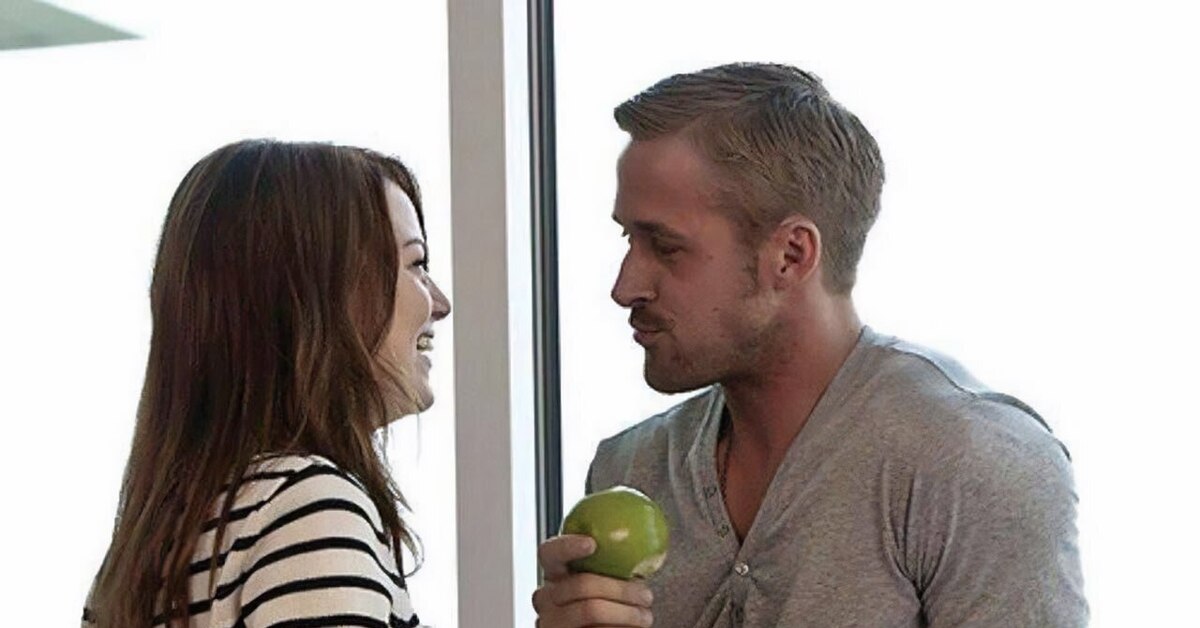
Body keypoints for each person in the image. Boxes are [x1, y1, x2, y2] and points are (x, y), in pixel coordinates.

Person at [533, 63, 1087, 627]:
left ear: (791, 255)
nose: (625, 286)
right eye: (628, 239)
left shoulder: (970, 464)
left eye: (666, 247)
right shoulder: (631, 468)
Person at [82, 139, 451, 627]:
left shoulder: (142, 554)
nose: (440, 303)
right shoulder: (309, 509)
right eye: (416, 265)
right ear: (322, 292)